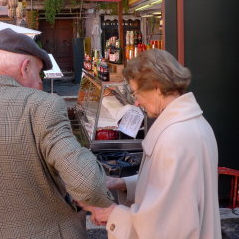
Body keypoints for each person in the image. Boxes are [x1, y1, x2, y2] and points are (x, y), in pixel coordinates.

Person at [0, 28, 113, 239]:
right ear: (25, 68)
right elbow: (87, 183)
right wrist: (106, 206)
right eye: (39, 72)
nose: (41, 82)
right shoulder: (43, 105)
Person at [81, 49, 221, 239]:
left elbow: (167, 226)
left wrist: (112, 213)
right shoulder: (193, 123)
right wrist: (122, 183)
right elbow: (170, 188)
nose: (136, 103)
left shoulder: (176, 136)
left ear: (156, 87)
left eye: (136, 92)